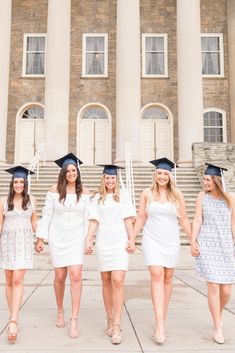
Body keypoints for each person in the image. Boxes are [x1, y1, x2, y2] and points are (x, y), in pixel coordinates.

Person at [133, 158, 191, 344]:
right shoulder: (146, 193)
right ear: (155, 175)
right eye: (159, 173)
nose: (162, 176)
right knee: (156, 274)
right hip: (152, 240)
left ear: (170, 176)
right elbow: (141, 218)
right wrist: (132, 237)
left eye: (165, 174)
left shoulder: (178, 195)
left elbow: (183, 219)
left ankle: (161, 319)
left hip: (171, 240)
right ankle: (159, 324)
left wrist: (192, 239)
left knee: (167, 278)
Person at [35, 153, 90, 339]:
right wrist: (41, 238)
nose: (71, 173)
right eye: (68, 171)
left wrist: (88, 240)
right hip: (58, 237)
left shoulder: (85, 193)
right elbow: (47, 215)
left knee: (76, 275)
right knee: (60, 276)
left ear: (78, 172)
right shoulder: (54, 191)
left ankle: (74, 318)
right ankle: (60, 310)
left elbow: (87, 219)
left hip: (76, 238)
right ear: (63, 173)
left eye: (74, 170)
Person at [85, 164, 136, 345]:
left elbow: (128, 219)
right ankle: (109, 317)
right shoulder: (97, 198)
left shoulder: (123, 195)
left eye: (113, 178)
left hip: (119, 242)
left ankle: (117, 324)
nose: (110, 180)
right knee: (106, 281)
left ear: (116, 179)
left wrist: (131, 239)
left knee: (117, 280)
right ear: (103, 178)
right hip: (104, 243)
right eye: (107, 177)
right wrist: (89, 239)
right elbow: (93, 220)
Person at [191, 163, 235, 344]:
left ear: (217, 180)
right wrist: (193, 240)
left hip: (225, 245)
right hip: (207, 244)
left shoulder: (231, 198)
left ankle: (218, 312)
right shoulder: (202, 196)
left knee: (226, 290)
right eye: (204, 179)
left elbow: (233, 223)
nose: (205, 182)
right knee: (213, 287)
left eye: (208, 179)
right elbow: (198, 218)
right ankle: (217, 326)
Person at [0, 166, 37, 343]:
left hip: (24, 244)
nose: (19, 184)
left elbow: (35, 223)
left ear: (25, 183)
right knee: (8, 280)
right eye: (16, 181)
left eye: (22, 182)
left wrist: (39, 240)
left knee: (17, 280)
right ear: (12, 183)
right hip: (7, 244)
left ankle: (13, 321)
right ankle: (13, 315)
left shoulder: (31, 201)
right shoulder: (3, 202)